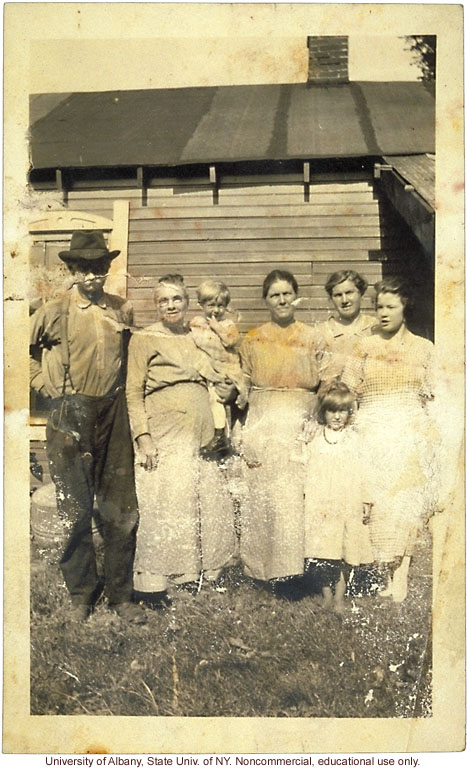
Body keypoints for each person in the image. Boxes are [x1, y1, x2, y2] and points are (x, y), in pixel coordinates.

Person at [29, 230, 144, 623]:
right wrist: (39, 381)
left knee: (120, 508)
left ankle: (121, 596)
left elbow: (133, 361)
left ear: (107, 269)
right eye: (85, 269)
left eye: (100, 268)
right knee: (75, 508)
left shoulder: (122, 310)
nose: (93, 276)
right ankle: (82, 593)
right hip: (69, 414)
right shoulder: (54, 311)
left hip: (112, 412)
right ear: (72, 270)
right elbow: (12, 349)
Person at [126, 274, 237, 599]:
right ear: (156, 305)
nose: (170, 305)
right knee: (169, 500)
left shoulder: (197, 336)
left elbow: (223, 371)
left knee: (203, 499)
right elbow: (133, 393)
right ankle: (163, 581)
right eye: (164, 300)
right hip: (164, 428)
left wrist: (229, 390)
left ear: (187, 303)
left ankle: (201, 575)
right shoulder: (144, 338)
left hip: (201, 428)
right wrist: (143, 436)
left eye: (176, 299)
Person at [341, 277, 437, 603]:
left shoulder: (424, 348)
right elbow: (347, 392)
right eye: (379, 306)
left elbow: (435, 396)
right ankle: (383, 573)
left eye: (390, 306)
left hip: (408, 431)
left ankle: (403, 573)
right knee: (377, 505)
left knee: (404, 503)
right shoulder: (363, 346)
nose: (383, 313)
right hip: (371, 431)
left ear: (404, 306)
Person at [239, 269, 327, 587]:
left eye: (287, 293)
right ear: (266, 301)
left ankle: (293, 572)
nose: (282, 300)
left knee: (293, 497)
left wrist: (317, 419)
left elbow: (327, 381)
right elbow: (243, 381)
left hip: (300, 421)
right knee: (262, 496)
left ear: (296, 296)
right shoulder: (252, 338)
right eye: (275, 295)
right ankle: (260, 571)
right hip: (263, 420)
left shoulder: (313, 336)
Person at [302, 383, 374, 613]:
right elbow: (303, 468)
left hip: (346, 502)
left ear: (349, 413)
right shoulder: (314, 440)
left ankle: (340, 598)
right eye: (332, 411)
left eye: (342, 411)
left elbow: (365, 472)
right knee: (323, 551)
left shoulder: (354, 440)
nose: (337, 416)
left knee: (343, 551)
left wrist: (365, 500)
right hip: (321, 502)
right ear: (324, 412)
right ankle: (326, 596)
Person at [190, 279, 248, 454]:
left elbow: (231, 340)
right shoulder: (196, 323)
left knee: (216, 398)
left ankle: (220, 435)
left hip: (226, 368)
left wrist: (216, 327)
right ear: (201, 304)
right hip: (209, 367)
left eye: (220, 306)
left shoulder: (227, 324)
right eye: (210, 305)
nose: (216, 310)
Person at [319, 270, 375, 385]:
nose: (344, 300)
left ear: (360, 294)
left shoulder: (375, 328)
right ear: (331, 299)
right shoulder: (321, 332)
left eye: (349, 293)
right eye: (338, 295)